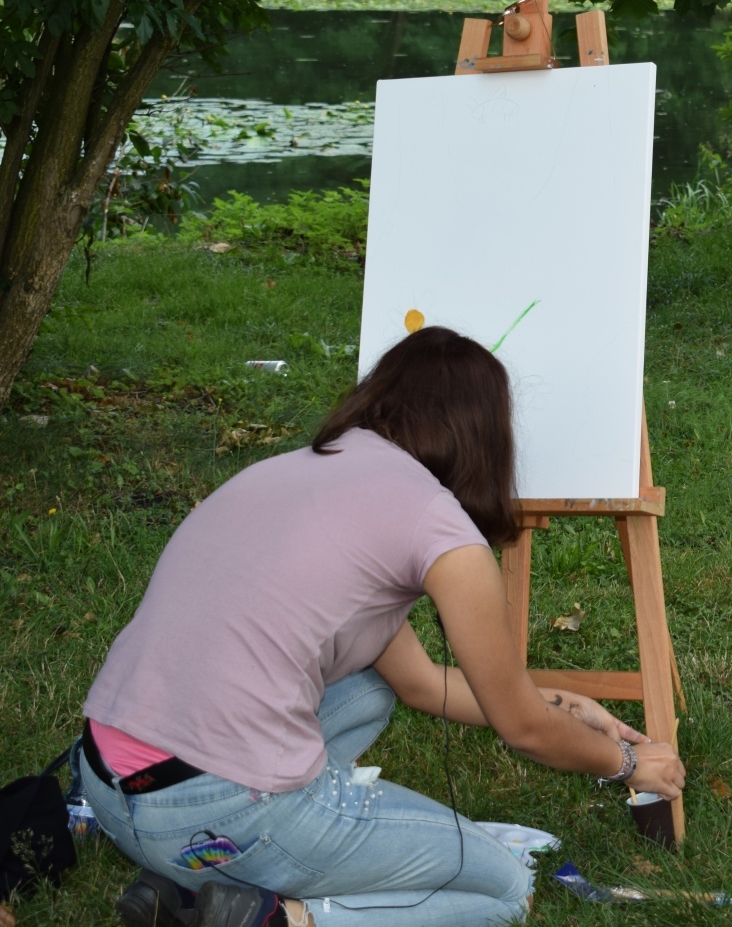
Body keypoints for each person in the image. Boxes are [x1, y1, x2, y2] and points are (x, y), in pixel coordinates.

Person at [75, 327, 685, 927]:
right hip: (220, 817)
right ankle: (281, 917)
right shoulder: (438, 526)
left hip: (108, 790)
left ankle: (193, 885)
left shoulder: (288, 469)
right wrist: (625, 764)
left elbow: (420, 683)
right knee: (505, 890)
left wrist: (566, 703)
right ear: (484, 435)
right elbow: (521, 726)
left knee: (370, 690)